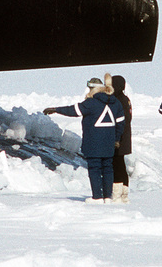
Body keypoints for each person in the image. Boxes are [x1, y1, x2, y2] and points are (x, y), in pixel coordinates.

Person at [44, 74, 125, 203]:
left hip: (93, 142)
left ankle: (97, 197)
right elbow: (121, 123)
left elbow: (73, 110)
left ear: (92, 89)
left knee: (94, 168)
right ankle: (107, 197)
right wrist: (116, 139)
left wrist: (55, 109)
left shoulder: (91, 103)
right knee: (108, 167)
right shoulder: (116, 103)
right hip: (109, 143)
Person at [111, 74, 132, 203]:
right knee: (121, 165)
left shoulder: (118, 100)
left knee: (117, 165)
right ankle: (124, 194)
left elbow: (122, 120)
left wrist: (116, 138)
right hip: (124, 136)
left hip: (119, 137)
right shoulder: (125, 99)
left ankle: (117, 194)